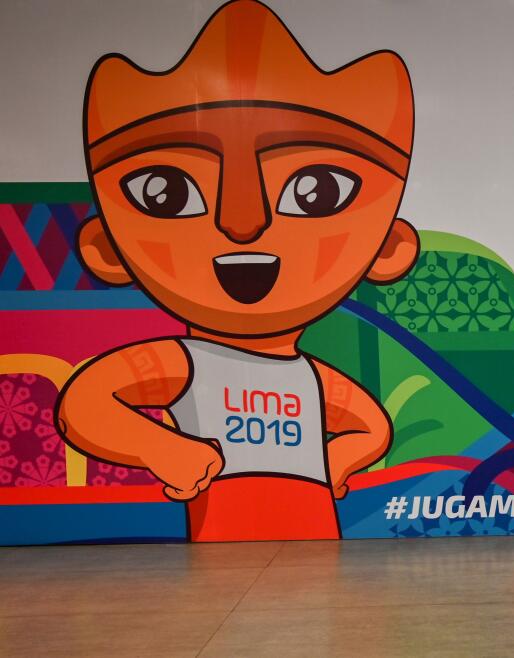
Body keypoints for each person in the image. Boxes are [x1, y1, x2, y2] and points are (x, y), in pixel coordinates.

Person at [55, 0, 418, 541]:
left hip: (318, 538)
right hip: (220, 542)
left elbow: (373, 427)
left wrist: (336, 459)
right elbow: (83, 404)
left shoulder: (311, 378)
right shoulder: (183, 362)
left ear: (389, 248)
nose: (242, 224)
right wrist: (163, 449)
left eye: (318, 190)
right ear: (106, 247)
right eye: (166, 191)